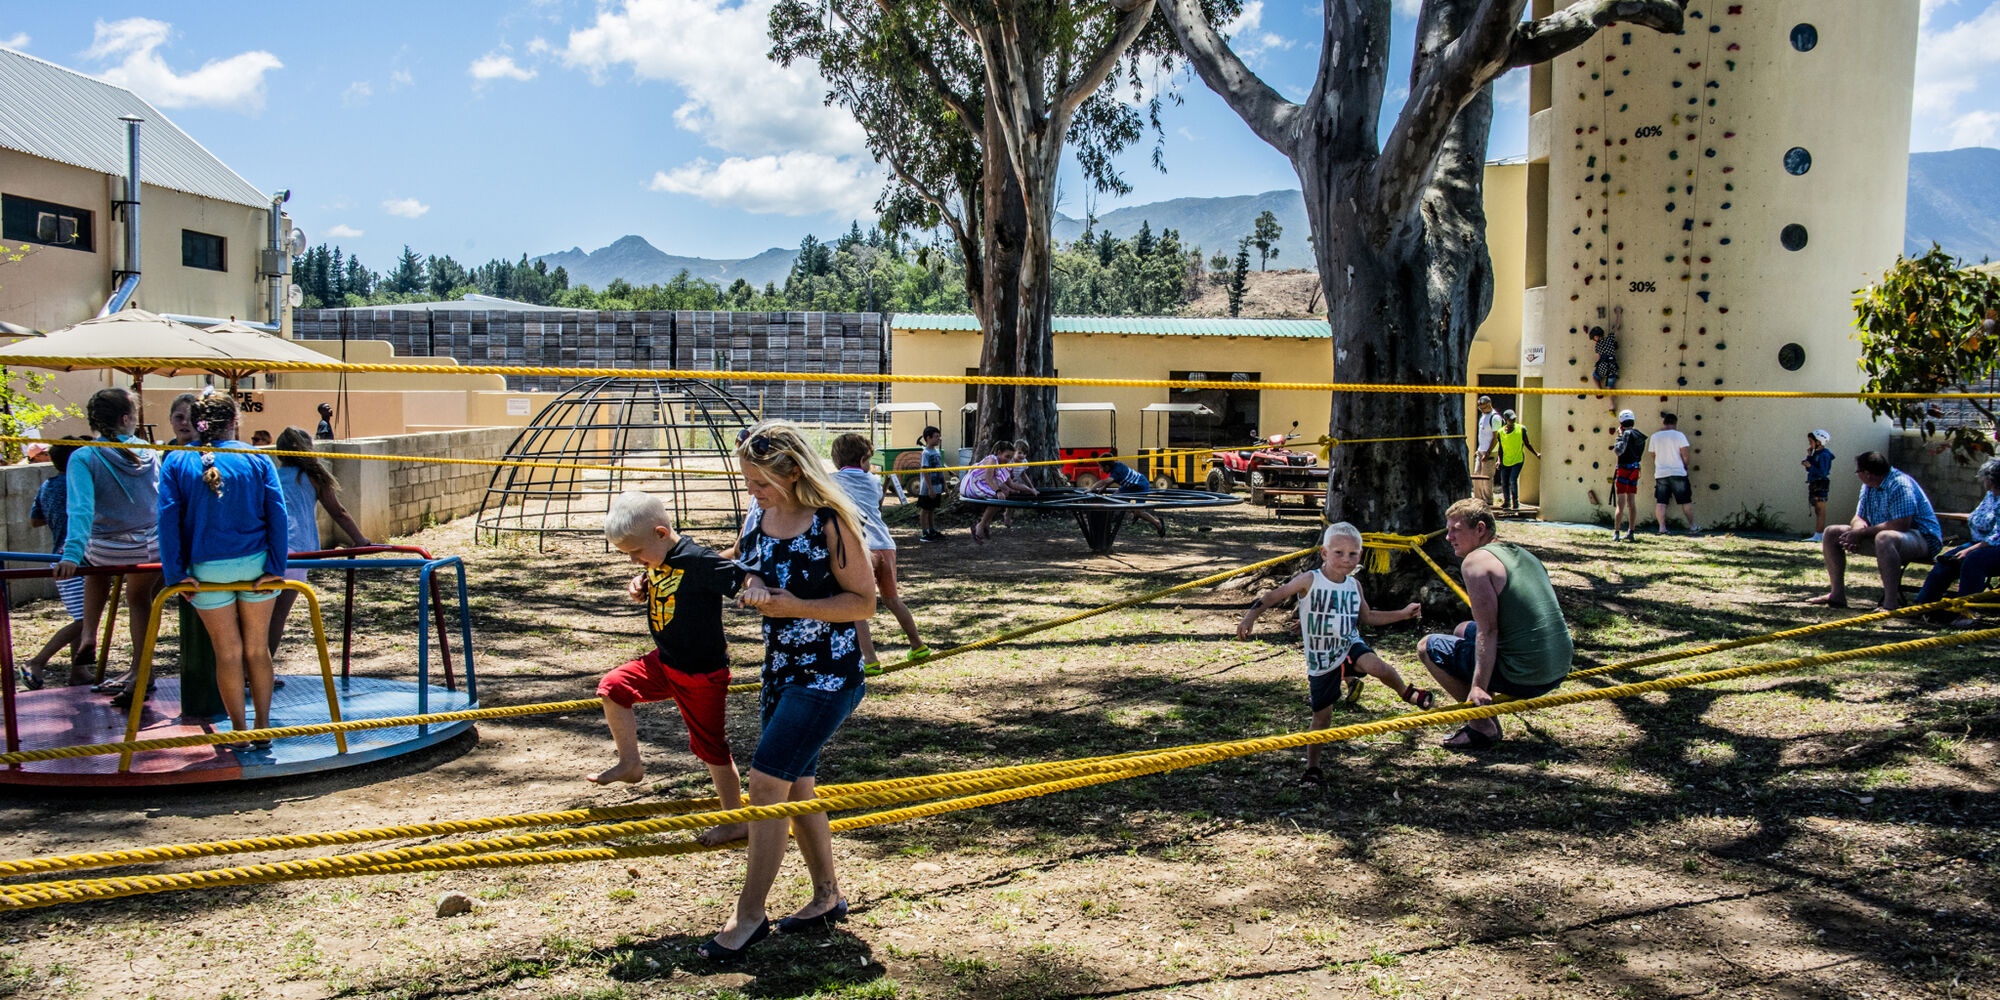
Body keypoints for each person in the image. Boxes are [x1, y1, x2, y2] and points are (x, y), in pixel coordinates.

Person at [699, 421, 876, 961]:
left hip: (828, 675)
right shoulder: (759, 513)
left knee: (766, 783)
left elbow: (863, 603)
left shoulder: (831, 522)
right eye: (748, 483)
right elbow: (742, 564)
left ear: (793, 472)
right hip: (781, 671)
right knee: (798, 786)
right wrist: (743, 582)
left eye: (759, 484)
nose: (751, 493)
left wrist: (790, 604)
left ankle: (749, 915)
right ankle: (827, 896)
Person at [589, 492, 750, 842]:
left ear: (661, 534)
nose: (633, 561)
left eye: (635, 553)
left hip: (700, 673)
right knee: (613, 687)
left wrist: (756, 589)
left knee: (712, 748)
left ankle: (736, 820)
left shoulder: (697, 560)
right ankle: (630, 763)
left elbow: (739, 575)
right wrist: (642, 584)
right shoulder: (660, 558)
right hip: (664, 662)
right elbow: (667, 579)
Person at [1238, 522, 1430, 784]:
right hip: (1321, 659)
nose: (1346, 559)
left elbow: (1368, 616)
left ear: (1360, 556)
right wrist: (1251, 617)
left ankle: (1408, 693)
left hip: (1349, 645)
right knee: (1323, 717)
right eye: (1338, 553)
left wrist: (1403, 613)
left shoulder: (1354, 586)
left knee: (1378, 667)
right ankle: (1313, 767)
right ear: (1324, 553)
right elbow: (1274, 595)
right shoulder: (1310, 580)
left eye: (1352, 554)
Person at [157, 392, 290, 747]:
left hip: (206, 571)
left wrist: (175, 574)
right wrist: (277, 565)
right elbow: (278, 514)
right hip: (256, 564)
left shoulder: (177, 461)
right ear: (235, 422)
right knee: (256, 650)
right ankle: (263, 725)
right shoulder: (255, 459)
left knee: (227, 653)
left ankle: (240, 730)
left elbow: (167, 521)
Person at [1417, 499, 1574, 749]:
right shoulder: (1522, 554)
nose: (1448, 537)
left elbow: (1488, 631)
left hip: (1527, 675)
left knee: (1428, 647)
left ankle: (1481, 725)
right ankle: (1485, 714)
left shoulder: (1476, 563)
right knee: (1460, 629)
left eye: (1456, 529)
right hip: (1558, 667)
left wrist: (1478, 687)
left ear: (1480, 529)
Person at [54, 388, 164, 701]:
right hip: (152, 544)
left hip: (107, 549)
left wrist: (71, 554)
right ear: (126, 419)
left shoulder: (84, 456)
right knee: (140, 599)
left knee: (92, 561)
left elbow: (80, 510)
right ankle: (142, 673)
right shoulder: (148, 450)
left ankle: (89, 632)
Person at [265, 427, 370, 659]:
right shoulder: (313, 477)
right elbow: (338, 512)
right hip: (297, 551)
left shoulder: (271, 475)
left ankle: (250, 671)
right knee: (277, 616)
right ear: (308, 449)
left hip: (269, 548)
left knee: (260, 615)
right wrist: (361, 540)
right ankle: (260, 672)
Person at [829, 432, 929, 673]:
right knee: (892, 599)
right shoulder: (873, 481)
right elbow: (878, 498)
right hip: (885, 543)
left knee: (856, 605)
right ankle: (918, 644)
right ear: (864, 459)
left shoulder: (831, 482)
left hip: (859, 546)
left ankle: (870, 659)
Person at [1813, 452, 1944, 611]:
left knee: (1885, 538)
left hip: (1923, 538)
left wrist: (1862, 534)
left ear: (1867, 474)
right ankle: (1837, 595)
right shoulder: (1868, 486)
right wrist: (1856, 531)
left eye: (1858, 472)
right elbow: (1859, 516)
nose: (1857, 475)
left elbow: (1901, 525)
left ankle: (1890, 603)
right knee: (1832, 532)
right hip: (1885, 537)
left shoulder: (1900, 484)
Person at [21, 437, 92, 689]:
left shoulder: (48, 485)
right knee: (85, 620)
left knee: (80, 616)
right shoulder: (78, 484)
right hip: (75, 559)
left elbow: (34, 520)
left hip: (58, 558)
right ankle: (37, 662)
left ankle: (79, 671)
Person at [1912, 457, 2000, 627]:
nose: (1983, 482)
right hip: (1982, 543)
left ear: (1992, 479)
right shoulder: (1991, 496)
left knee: (1973, 560)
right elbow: (1977, 518)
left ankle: (1966, 611)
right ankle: (1923, 606)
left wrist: (1970, 550)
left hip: (1993, 547)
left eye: (1985, 478)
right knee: (1947, 560)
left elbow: (1998, 535)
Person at [961, 441, 1037, 544]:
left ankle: (986, 523)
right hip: (971, 484)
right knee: (999, 497)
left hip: (982, 484)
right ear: (999, 452)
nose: (1008, 460)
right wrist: (998, 491)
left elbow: (1011, 484)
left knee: (1004, 495)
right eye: (1007, 456)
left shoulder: (1004, 466)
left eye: (1010, 457)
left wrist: (1029, 489)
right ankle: (981, 524)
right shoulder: (992, 460)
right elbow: (988, 479)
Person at [1648, 412, 1699, 534]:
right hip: (1678, 472)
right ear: (1675, 423)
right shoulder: (1679, 435)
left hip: (1661, 473)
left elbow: (1652, 455)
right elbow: (1685, 455)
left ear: (1664, 423)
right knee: (1685, 501)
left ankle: (1662, 528)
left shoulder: (1655, 436)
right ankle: (1692, 526)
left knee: (1661, 502)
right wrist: (1685, 466)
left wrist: (1659, 465)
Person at [1095, 458, 1167, 535]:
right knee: (1114, 498)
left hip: (1141, 485)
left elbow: (1110, 479)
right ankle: (1114, 517)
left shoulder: (1117, 469)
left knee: (1139, 512)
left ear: (1107, 466)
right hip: (1129, 486)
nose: (1102, 470)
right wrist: (1104, 487)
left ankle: (1158, 523)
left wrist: (1096, 487)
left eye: (1102, 467)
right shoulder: (1115, 467)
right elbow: (1112, 480)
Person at [1486, 409, 1538, 510]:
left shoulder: (1521, 429)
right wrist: (1499, 460)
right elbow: (1501, 448)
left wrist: (1536, 454)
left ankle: (1515, 503)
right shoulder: (1501, 432)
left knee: (1512, 480)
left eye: (1514, 419)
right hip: (1506, 460)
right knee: (1504, 482)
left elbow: (1527, 443)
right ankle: (1507, 502)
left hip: (1518, 459)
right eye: (1511, 419)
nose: (1513, 421)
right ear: (1506, 419)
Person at [1609, 410, 1646, 541]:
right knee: (1632, 502)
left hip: (1624, 469)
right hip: (1635, 469)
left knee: (1621, 503)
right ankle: (1631, 531)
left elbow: (1619, 451)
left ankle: (1617, 532)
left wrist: (1619, 436)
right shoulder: (1639, 435)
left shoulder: (1624, 435)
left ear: (1621, 423)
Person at [914, 426, 947, 543]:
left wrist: (944, 485)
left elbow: (940, 469)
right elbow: (925, 471)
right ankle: (924, 533)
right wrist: (930, 488)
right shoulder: (926, 453)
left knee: (932, 509)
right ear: (928, 438)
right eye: (936, 437)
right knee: (925, 509)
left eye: (939, 436)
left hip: (937, 485)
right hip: (927, 488)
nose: (939, 439)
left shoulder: (937, 452)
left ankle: (932, 530)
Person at [1802, 430, 1834, 542]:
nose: (1810, 444)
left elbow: (1823, 472)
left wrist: (1810, 466)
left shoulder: (1824, 455)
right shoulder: (1816, 454)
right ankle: (1818, 533)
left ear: (1819, 441)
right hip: (1814, 482)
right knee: (1817, 509)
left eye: (1811, 441)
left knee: (1821, 510)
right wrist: (1809, 457)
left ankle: (1819, 534)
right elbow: (1809, 468)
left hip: (1821, 483)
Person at [1471, 396, 1504, 504]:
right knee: (1476, 475)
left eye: (1484, 408)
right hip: (1481, 450)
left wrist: (1488, 452)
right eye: (1480, 408)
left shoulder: (1494, 418)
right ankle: (1478, 499)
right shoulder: (1483, 416)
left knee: (1486, 477)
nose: (1482, 410)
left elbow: (1495, 437)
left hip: (1490, 452)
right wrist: (1479, 450)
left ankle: (1488, 501)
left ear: (1489, 405)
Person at [1589, 306, 1621, 392]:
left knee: (1594, 377)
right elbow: (1616, 327)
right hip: (1612, 366)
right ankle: (1612, 403)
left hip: (1602, 366)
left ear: (1596, 337)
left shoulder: (1597, 346)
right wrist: (1618, 314)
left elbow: (1599, 358)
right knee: (1610, 387)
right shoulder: (1609, 339)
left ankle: (1600, 390)